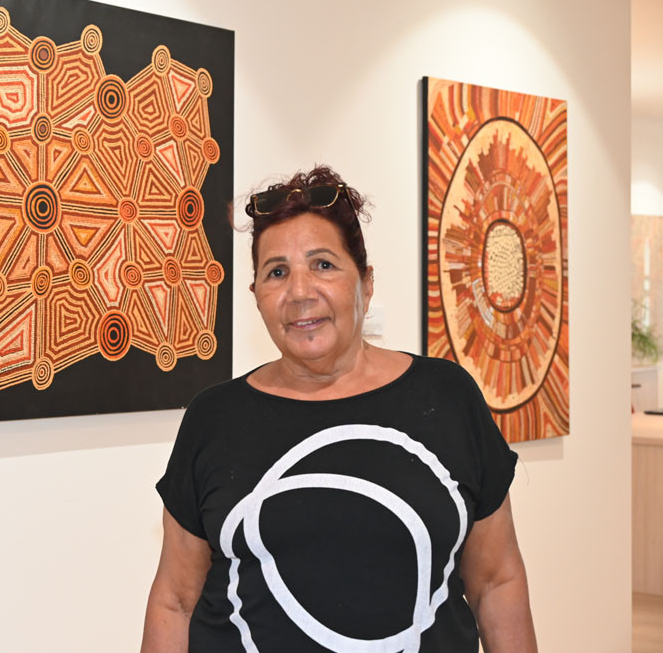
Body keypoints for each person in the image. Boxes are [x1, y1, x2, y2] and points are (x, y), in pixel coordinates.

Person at [140, 166, 538, 653]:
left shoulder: (448, 398)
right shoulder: (213, 419)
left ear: (365, 284)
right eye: (277, 272)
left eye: (323, 265)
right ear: (257, 298)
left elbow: (496, 581)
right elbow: (175, 601)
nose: (300, 292)